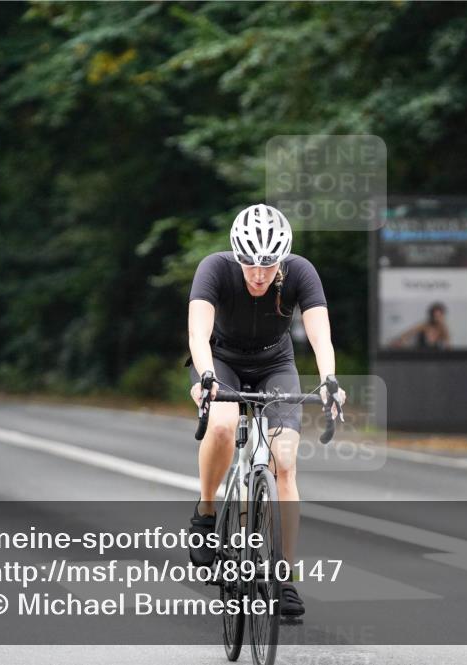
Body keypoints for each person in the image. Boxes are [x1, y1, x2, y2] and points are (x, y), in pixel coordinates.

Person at [186, 204, 344, 617]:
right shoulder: (214, 269)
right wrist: (206, 379)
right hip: (223, 362)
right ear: (236, 257)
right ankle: (205, 512)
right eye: (249, 265)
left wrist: (329, 381)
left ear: (282, 260)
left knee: (285, 461)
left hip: (276, 363)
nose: (258, 275)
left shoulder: (302, 273)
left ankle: (283, 578)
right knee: (221, 426)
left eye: (268, 265)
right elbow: (198, 332)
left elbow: (320, 337)